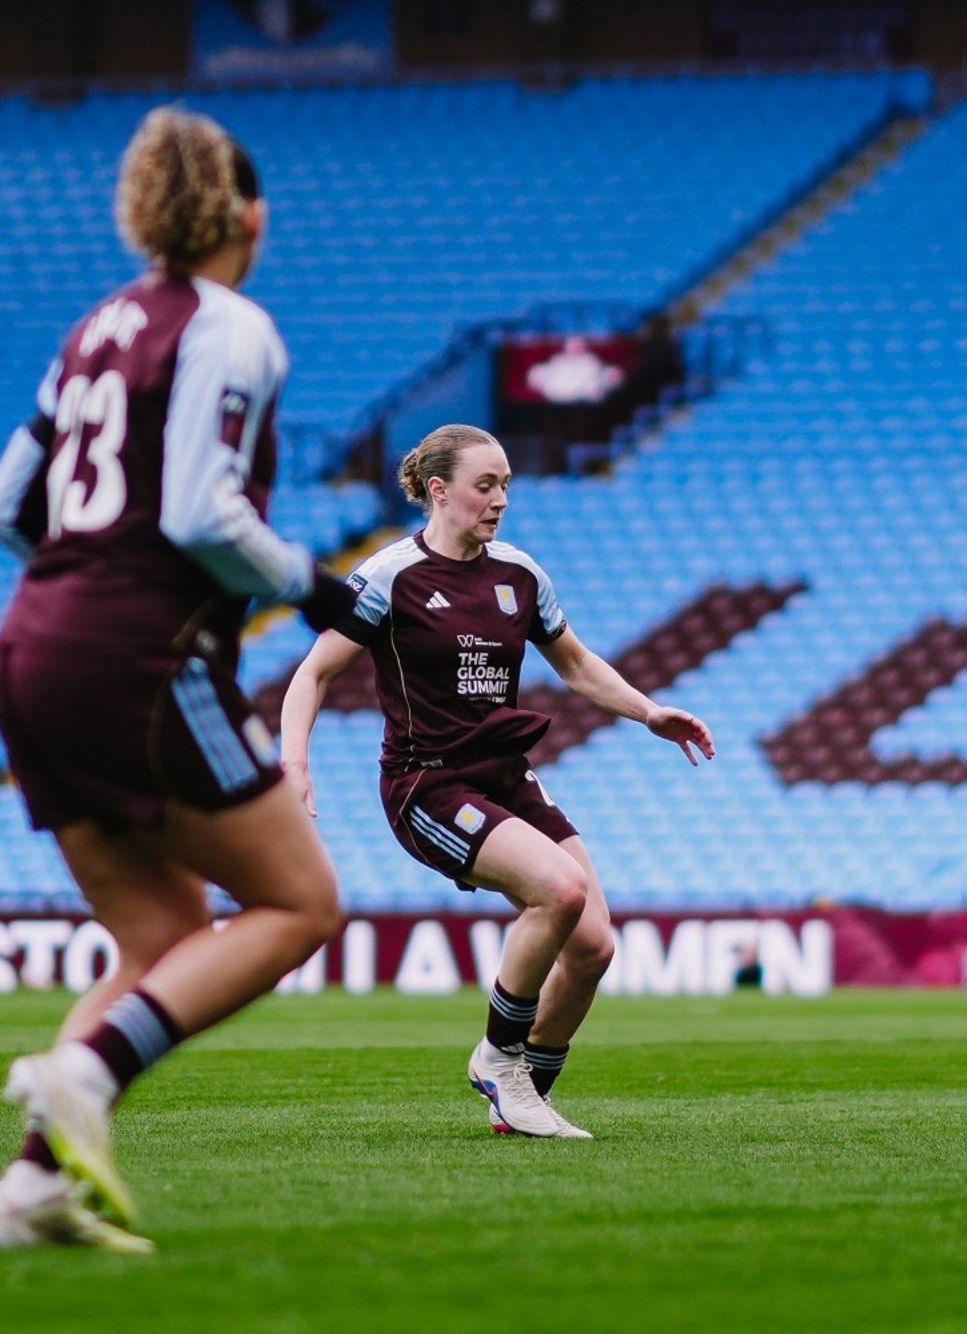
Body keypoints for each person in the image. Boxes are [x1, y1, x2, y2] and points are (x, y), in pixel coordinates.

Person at [0, 107, 357, 1251]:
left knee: (160, 938)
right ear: (250, 214)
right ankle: (83, 1072)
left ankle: (31, 1191)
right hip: (137, 654)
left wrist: (81, 586)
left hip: (30, 642)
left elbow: (6, 508)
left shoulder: (97, 323)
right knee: (302, 904)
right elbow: (198, 510)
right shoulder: (232, 325)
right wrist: (319, 588)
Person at [278, 423, 713, 1139]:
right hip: (429, 785)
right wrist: (295, 760)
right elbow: (313, 674)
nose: (501, 499)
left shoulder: (519, 573)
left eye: (507, 483)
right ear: (440, 491)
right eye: (487, 485)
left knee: (595, 945)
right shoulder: (392, 576)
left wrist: (648, 711)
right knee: (560, 892)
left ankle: (523, 1098)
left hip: (506, 774)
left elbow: (574, 664)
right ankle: (497, 1058)